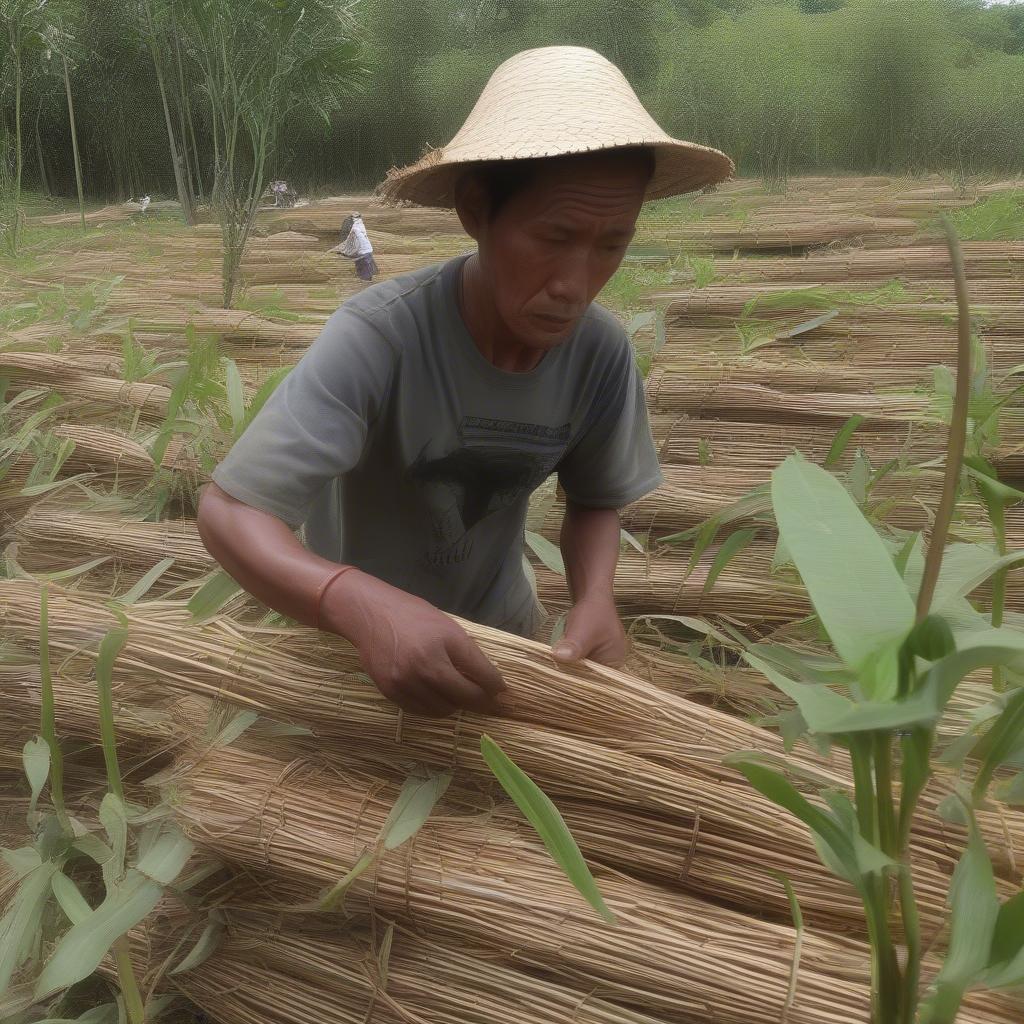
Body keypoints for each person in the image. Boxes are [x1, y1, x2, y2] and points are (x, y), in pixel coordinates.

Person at [197, 45, 733, 718]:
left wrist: (595, 598)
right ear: (477, 210)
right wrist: (358, 604)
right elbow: (231, 511)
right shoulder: (381, 337)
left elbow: (596, 499)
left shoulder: (600, 352)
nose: (575, 285)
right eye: (555, 235)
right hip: (357, 653)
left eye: (610, 245)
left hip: (504, 645)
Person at [337, 211, 378, 281]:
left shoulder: (355, 228)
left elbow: (353, 240)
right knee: (365, 264)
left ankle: (366, 279)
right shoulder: (360, 225)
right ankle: (367, 278)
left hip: (362, 251)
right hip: (366, 249)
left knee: (362, 264)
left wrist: (344, 250)